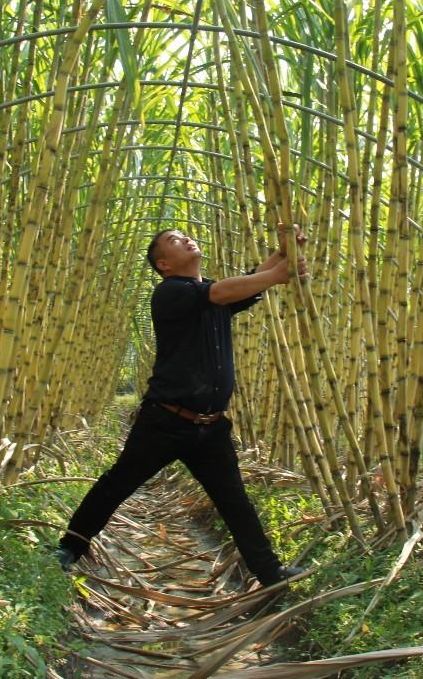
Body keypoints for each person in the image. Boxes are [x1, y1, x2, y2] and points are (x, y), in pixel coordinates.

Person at [54, 225, 309, 587]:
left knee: (234, 500)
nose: (187, 239)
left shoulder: (211, 294)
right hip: (166, 420)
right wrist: (278, 273)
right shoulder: (170, 294)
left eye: (186, 235)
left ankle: (270, 573)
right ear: (164, 265)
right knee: (118, 484)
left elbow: (249, 283)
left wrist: (284, 254)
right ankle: (69, 548)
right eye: (174, 241)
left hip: (211, 426)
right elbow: (225, 291)